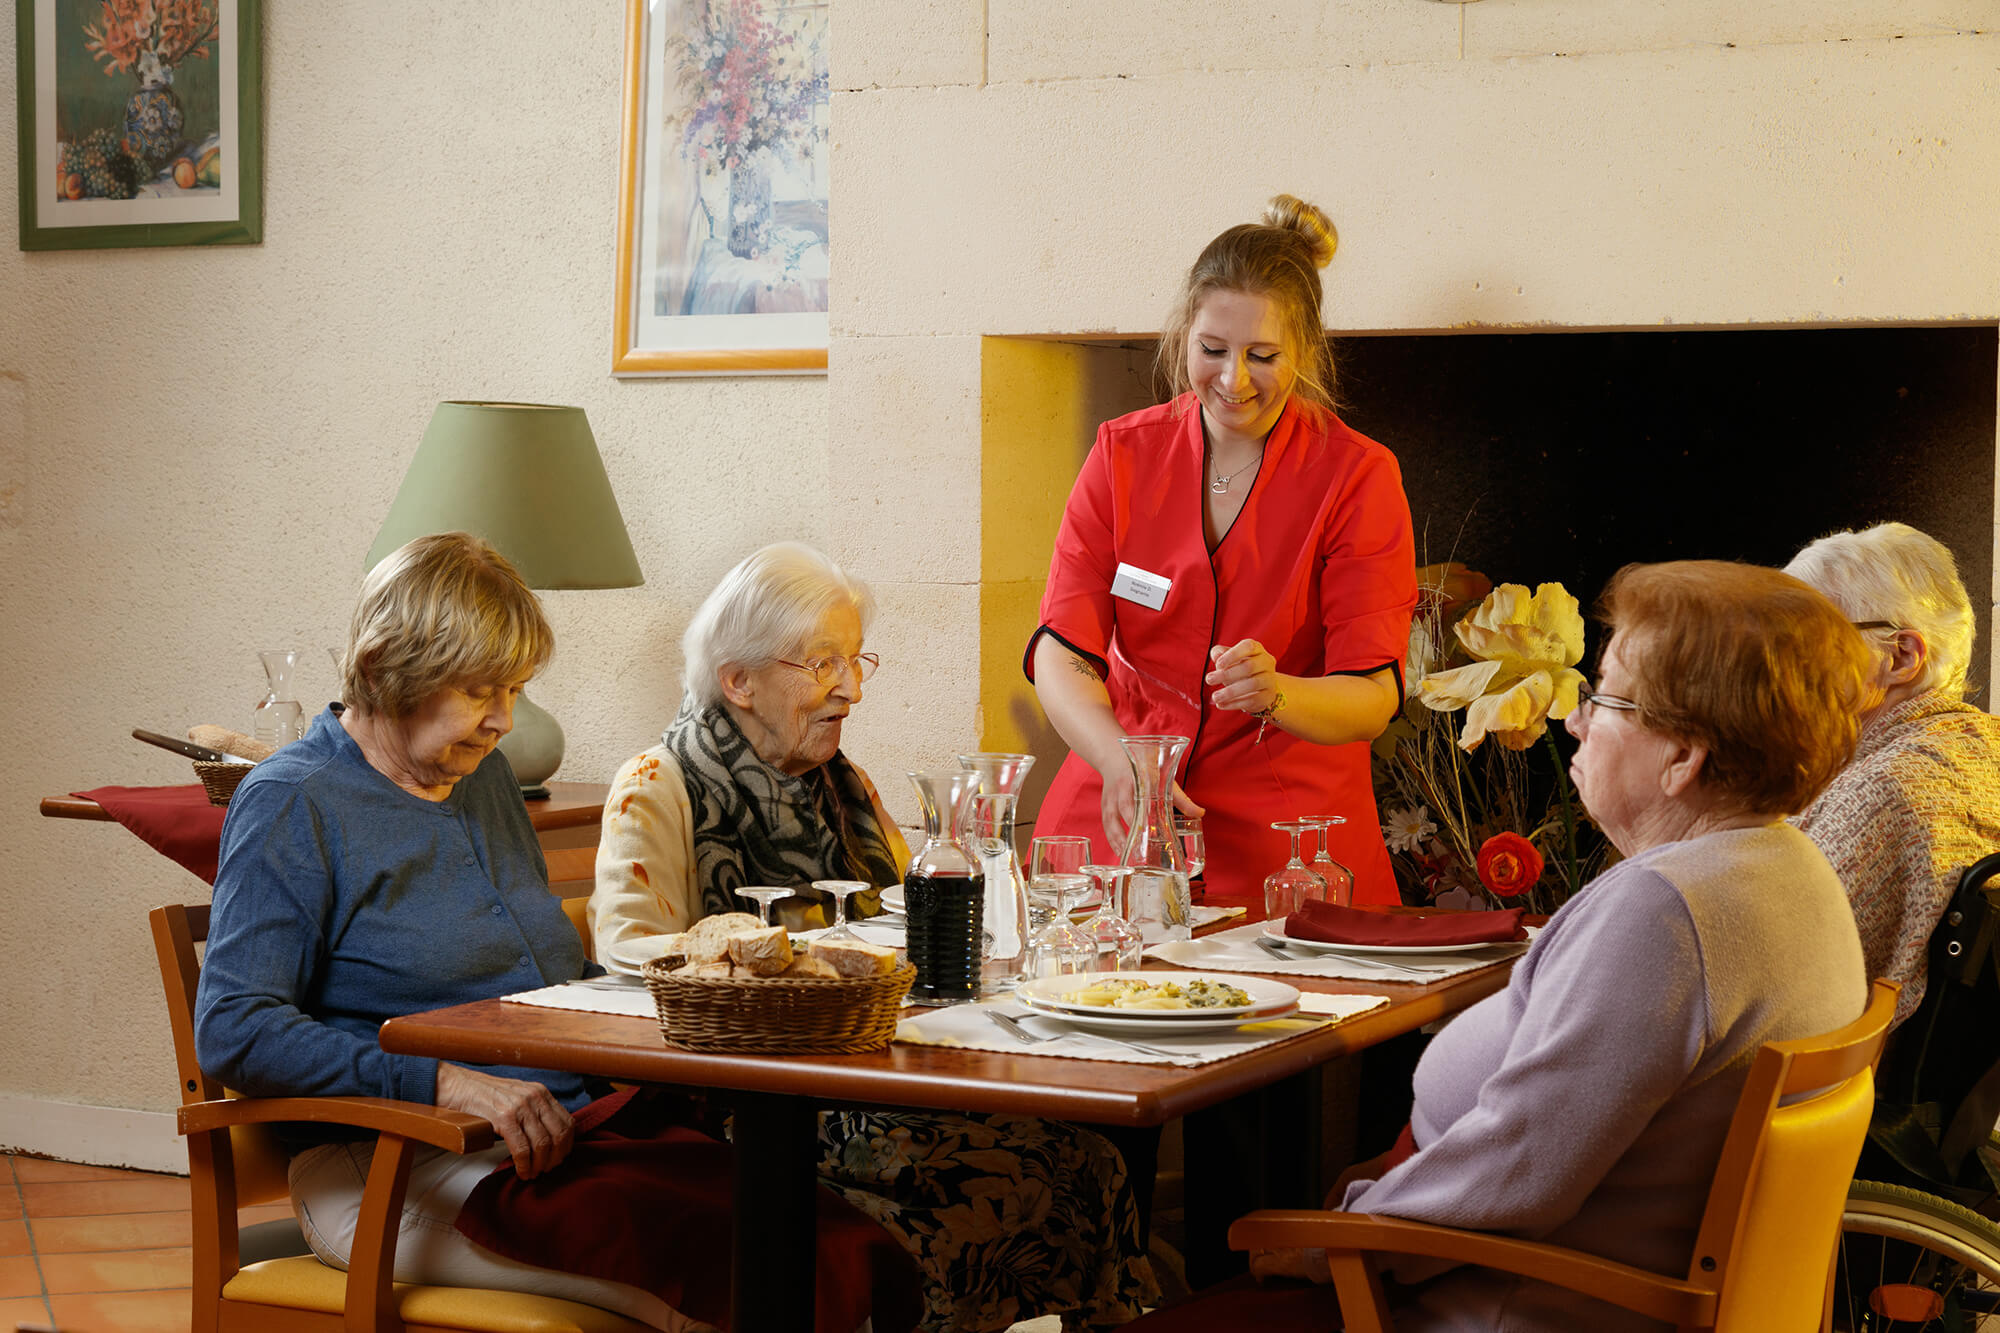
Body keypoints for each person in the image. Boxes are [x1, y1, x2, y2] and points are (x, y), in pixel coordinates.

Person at [192, 533, 905, 1333]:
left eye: (516, 689)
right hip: (398, 1160)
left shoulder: (481, 775)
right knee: (750, 1278)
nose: (502, 718)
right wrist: (447, 1080)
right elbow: (234, 1028)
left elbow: (545, 977)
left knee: (833, 1242)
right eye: (478, 690)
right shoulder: (295, 800)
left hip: (560, 1137)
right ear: (392, 666)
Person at [1156, 561, 1873, 1332]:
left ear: (1683, 757)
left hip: (1499, 1304)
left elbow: (1520, 1174)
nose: (1575, 720)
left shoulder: (1666, 913)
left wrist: (1331, 1238)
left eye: (1604, 698)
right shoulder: (1794, 870)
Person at [591, 541, 1159, 1333]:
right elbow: (626, 958)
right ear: (739, 679)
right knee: (997, 1183)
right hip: (740, 1104)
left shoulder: (841, 783)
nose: (850, 690)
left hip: (867, 1071)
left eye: (857, 662)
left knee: (1084, 1156)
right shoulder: (659, 784)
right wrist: (784, 973)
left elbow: (901, 917)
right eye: (823, 665)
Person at [1026, 194, 1417, 906]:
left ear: (1303, 352)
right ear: (1183, 336)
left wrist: (1280, 693)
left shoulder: (1358, 475)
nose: (1233, 380)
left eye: (1262, 356)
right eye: (1212, 350)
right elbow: (1060, 647)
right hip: (1121, 801)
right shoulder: (1122, 452)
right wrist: (1122, 762)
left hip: (1289, 839)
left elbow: (1373, 695)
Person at [1786, 521, 2000, 1028]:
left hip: (1806, 1097)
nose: (1773, 663)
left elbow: (1758, 987)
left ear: (1900, 657)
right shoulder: (1982, 750)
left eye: (1799, 639)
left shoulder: (1882, 792)